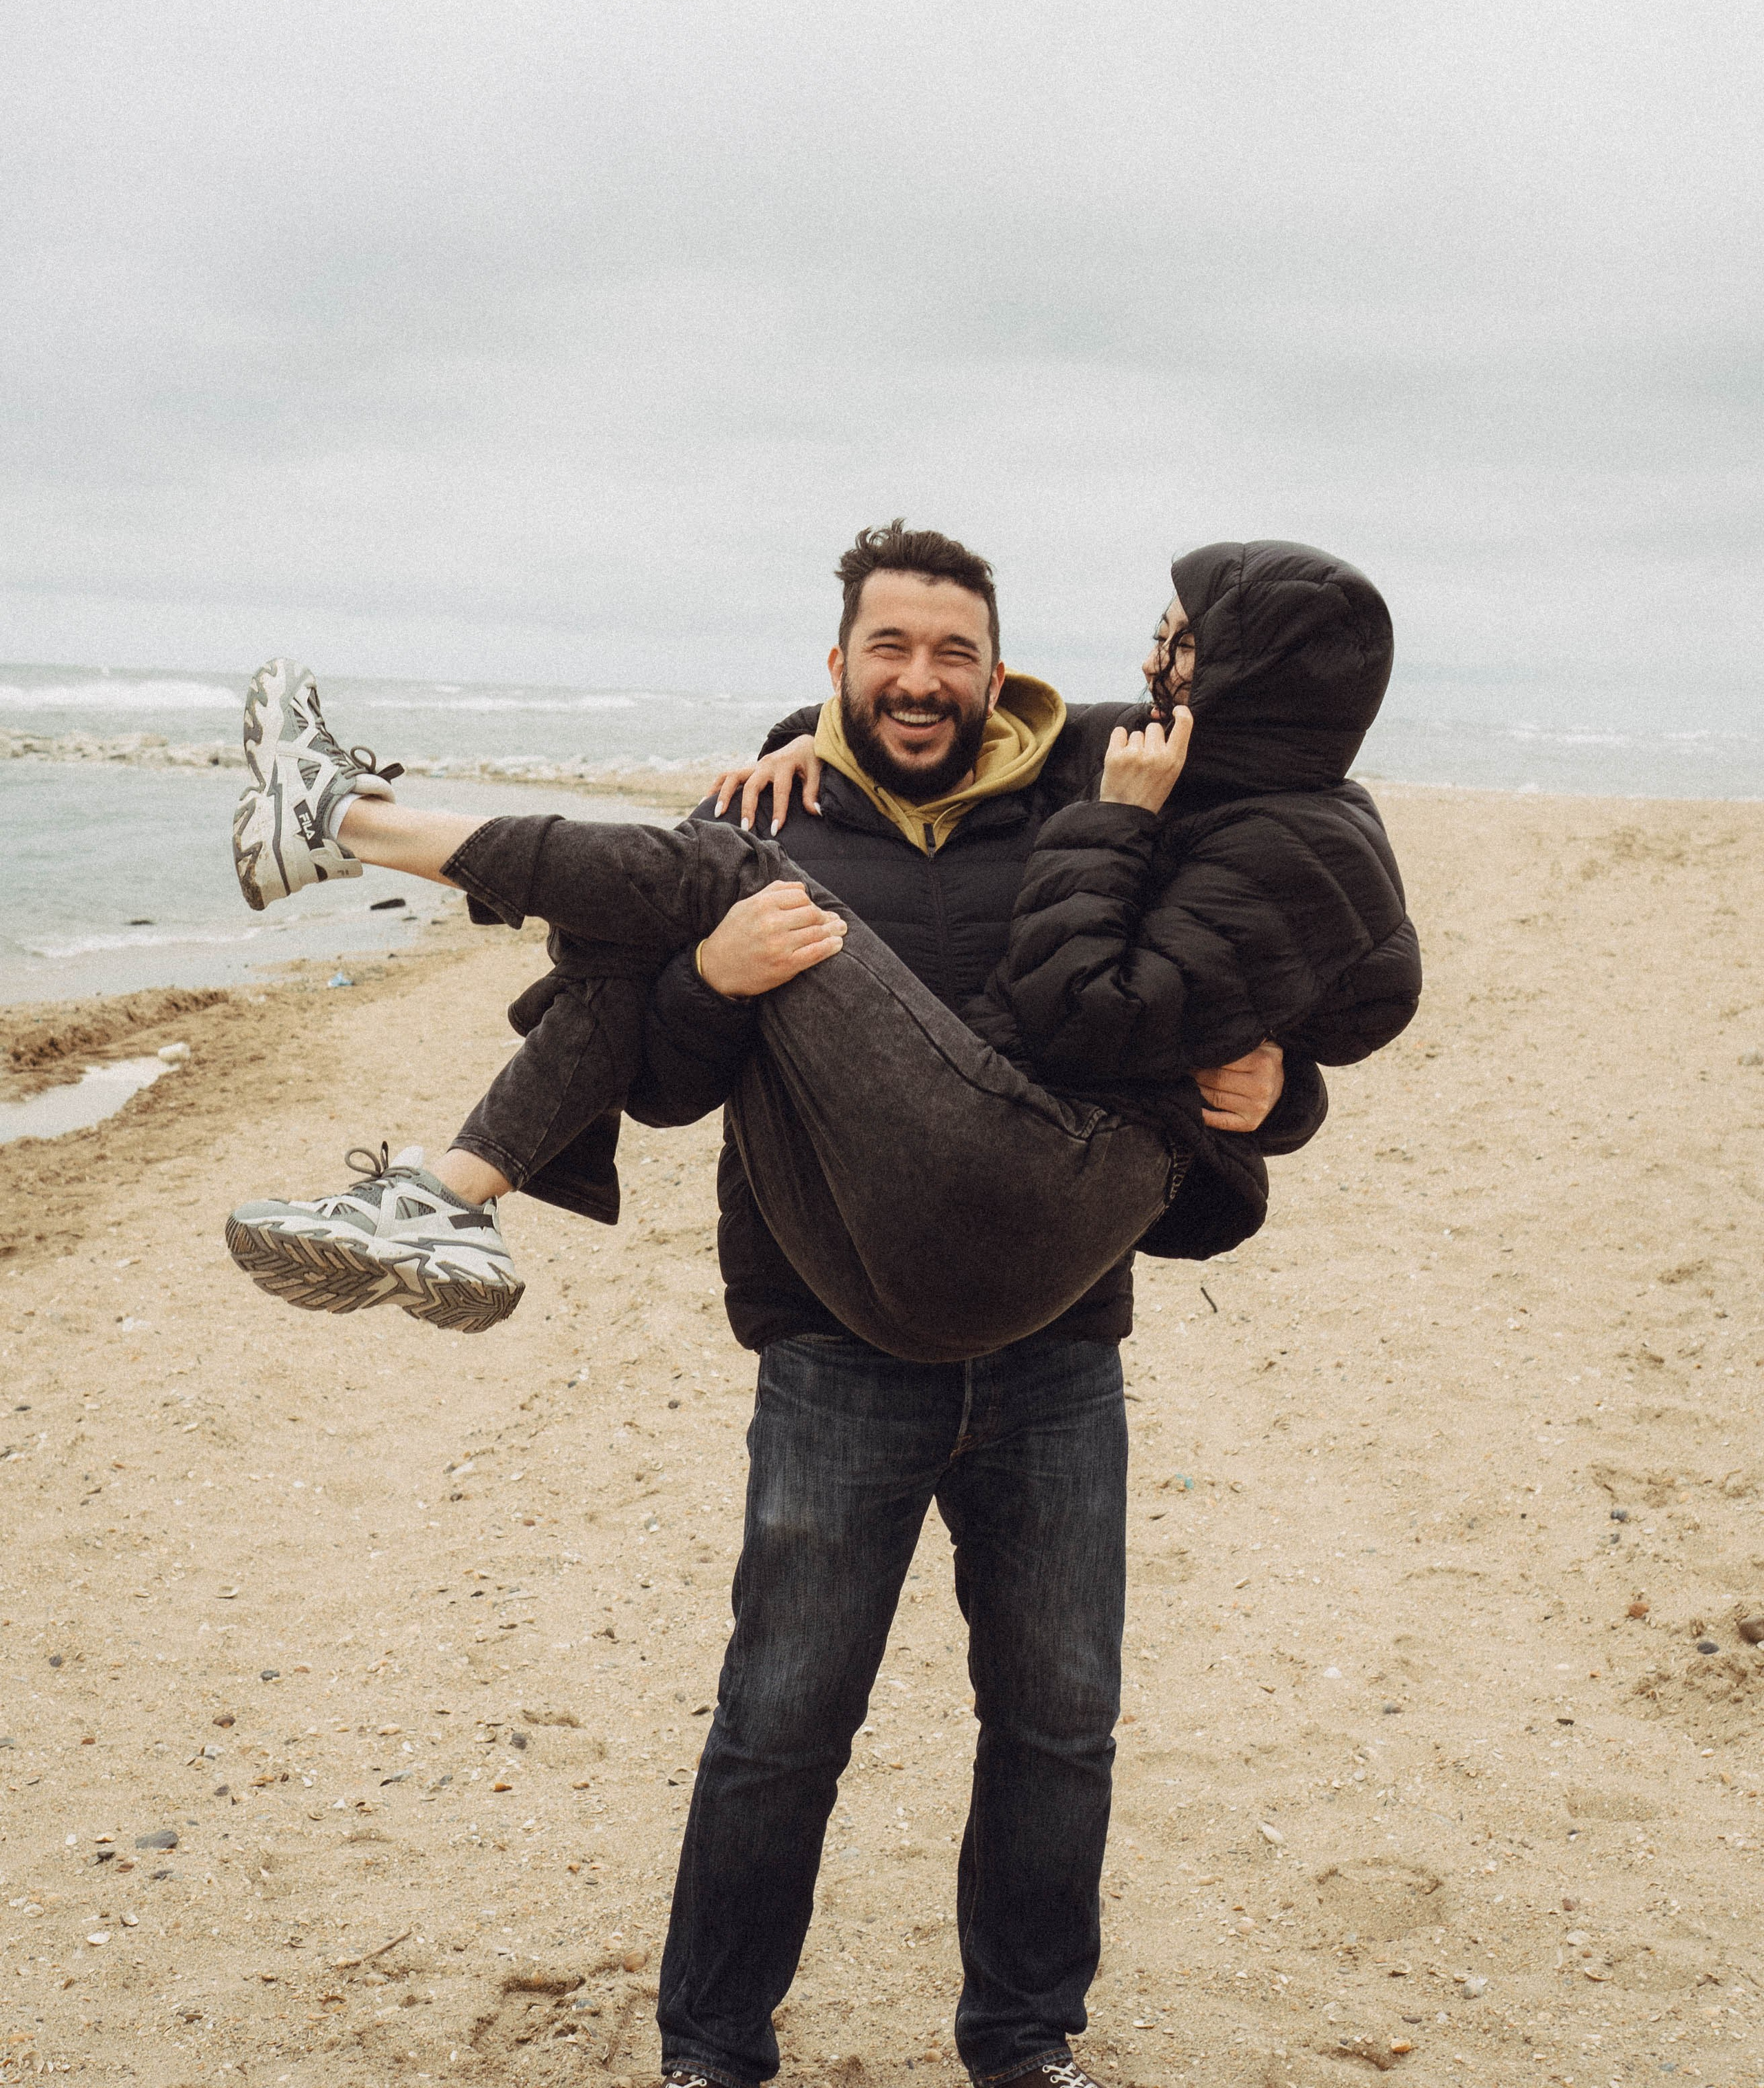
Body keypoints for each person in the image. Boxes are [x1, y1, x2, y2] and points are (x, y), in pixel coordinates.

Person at [225, 525, 1418, 2088]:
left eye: (952, 654)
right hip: (833, 1339)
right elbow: (658, 1084)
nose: (918, 680)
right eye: (886, 651)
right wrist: (711, 978)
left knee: (1056, 1723)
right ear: (835, 666)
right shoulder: (775, 799)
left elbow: (1242, 982)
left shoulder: (1095, 792)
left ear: (1003, 676)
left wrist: (1276, 1095)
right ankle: (711, 2049)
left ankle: (1022, 2041)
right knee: (780, 1723)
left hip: (1053, 1344)